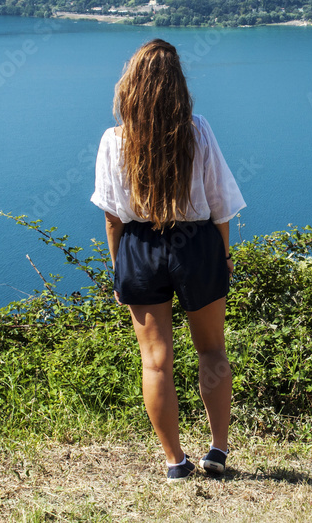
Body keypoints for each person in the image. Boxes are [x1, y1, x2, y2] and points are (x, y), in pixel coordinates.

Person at [91, 39, 246, 482]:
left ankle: (174, 461)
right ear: (178, 85)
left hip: (139, 247)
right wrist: (225, 255)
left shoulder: (114, 140)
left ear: (130, 86)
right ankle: (217, 451)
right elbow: (220, 203)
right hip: (197, 245)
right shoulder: (197, 130)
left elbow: (112, 216)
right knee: (212, 349)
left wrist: (119, 267)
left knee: (155, 361)